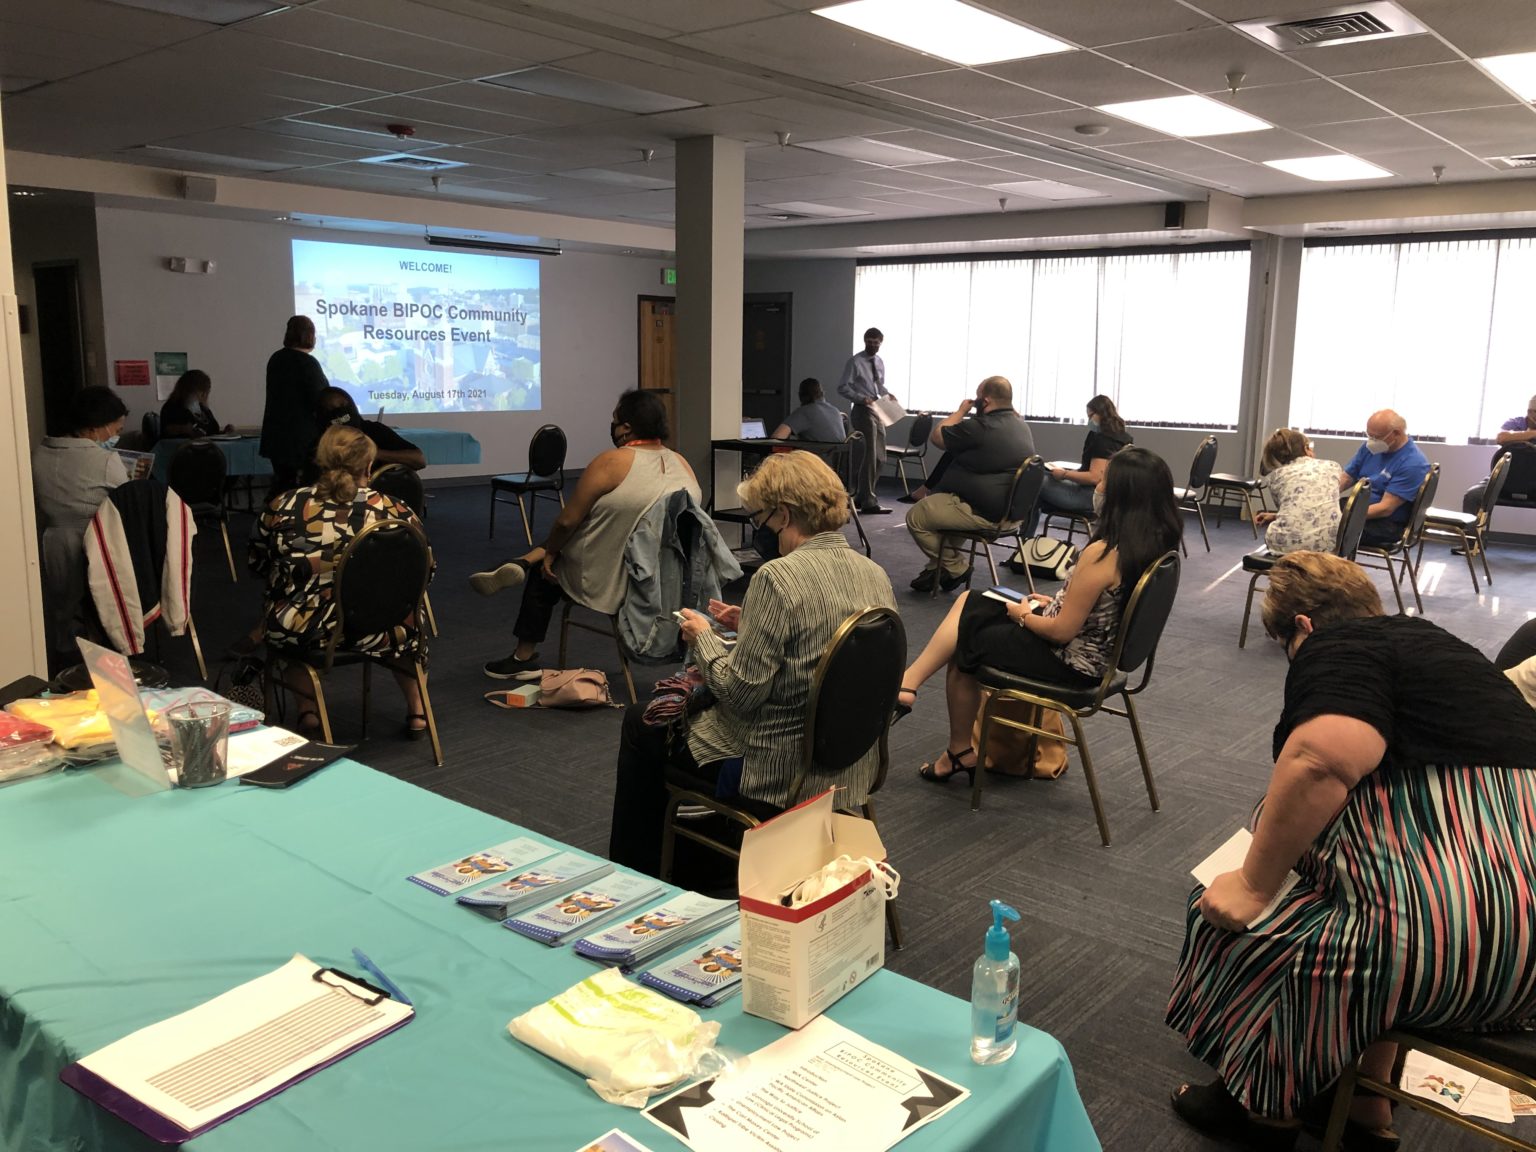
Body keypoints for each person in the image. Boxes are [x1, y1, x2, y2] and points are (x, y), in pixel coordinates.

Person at [1166, 551, 1536, 1150]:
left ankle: (1261, 1110)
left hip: (1449, 954)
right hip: (1524, 973)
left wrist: (1254, 884)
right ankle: (1366, 1108)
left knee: (1254, 919)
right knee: (1387, 905)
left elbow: (1321, 759)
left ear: (1303, 626)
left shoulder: (1341, 646)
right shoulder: (1447, 651)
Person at [607, 450, 897, 878]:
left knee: (640, 722)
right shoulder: (874, 573)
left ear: (783, 514)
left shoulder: (777, 578)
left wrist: (704, 638)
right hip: (848, 761)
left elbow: (740, 696)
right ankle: (697, 844)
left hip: (778, 769)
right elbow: (831, 643)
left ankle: (638, 868)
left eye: (759, 517)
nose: (759, 528)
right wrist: (752, 623)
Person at [897, 446, 1179, 782]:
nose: (1097, 486)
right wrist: (1055, 603)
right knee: (973, 602)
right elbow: (1107, 610)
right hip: (1098, 656)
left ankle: (954, 748)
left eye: (1104, 480)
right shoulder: (1154, 545)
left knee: (965, 640)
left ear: (1122, 496)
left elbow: (1061, 632)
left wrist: (1024, 616)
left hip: (1070, 663)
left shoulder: (1103, 553)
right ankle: (910, 685)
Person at [473, 390, 700, 678]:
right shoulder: (683, 464)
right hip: (664, 580)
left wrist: (551, 552)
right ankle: (523, 561)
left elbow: (566, 521)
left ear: (626, 427)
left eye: (615, 420)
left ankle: (522, 656)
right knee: (581, 531)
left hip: (611, 577)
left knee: (548, 568)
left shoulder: (611, 462)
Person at [249, 425, 433, 738]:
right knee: (409, 623)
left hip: (306, 631)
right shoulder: (397, 510)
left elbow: (258, 563)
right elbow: (425, 572)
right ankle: (418, 711)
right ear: (369, 465)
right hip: (382, 629)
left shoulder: (285, 506)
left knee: (285, 618)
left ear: (321, 461)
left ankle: (309, 712)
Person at [905, 375, 1036, 593]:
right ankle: (936, 570)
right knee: (945, 515)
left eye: (977, 399)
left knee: (916, 516)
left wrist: (960, 411)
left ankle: (956, 567)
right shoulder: (1021, 426)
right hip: (1010, 513)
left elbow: (937, 437)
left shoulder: (980, 427)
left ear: (985, 401)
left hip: (982, 513)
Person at [33, 386, 129, 668]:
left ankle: (63, 661)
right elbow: (127, 499)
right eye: (116, 429)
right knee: (96, 605)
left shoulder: (40, 453)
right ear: (96, 426)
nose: (115, 437)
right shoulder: (105, 461)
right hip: (94, 541)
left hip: (50, 539)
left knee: (61, 606)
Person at [1027, 395, 1131, 537]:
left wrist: (1064, 474)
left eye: (1091, 416)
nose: (1089, 421)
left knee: (1036, 480)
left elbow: (1095, 477)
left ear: (1101, 413)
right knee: (1040, 486)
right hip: (1110, 497)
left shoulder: (1103, 439)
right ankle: (1026, 538)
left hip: (1091, 497)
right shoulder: (1123, 437)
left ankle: (1025, 538)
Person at [1337, 408, 1430, 547]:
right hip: (1359, 505)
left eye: (1377, 437)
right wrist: (1325, 498)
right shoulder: (1370, 448)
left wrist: (1343, 517)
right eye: (1369, 436)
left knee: (1328, 528)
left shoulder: (1413, 463)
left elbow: (1385, 508)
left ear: (1397, 433)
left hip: (1386, 523)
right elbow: (1348, 477)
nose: (1372, 441)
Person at [260, 315, 329, 495]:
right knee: (303, 491)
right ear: (310, 336)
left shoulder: (276, 359)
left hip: (276, 438)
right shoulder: (308, 363)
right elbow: (321, 399)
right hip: (302, 442)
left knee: (283, 486)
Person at [1251, 428, 1341, 555]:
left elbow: (1292, 510)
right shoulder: (1333, 466)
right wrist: (1275, 515)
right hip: (1331, 545)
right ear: (1306, 448)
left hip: (1288, 547)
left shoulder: (1275, 477)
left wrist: (1276, 516)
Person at [1457, 393, 1536, 535]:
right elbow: (1501, 438)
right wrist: (1533, 434)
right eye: (1533, 411)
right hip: (1503, 479)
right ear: (1529, 412)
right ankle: (1469, 542)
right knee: (1472, 496)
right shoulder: (1516, 423)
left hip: (1533, 483)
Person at [837, 327, 896, 515]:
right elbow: (842, 387)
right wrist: (862, 398)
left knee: (880, 457)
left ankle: (862, 496)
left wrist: (887, 395)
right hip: (862, 409)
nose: (872, 345)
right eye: (869, 342)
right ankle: (869, 501)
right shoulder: (855, 362)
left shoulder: (879, 361)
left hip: (877, 408)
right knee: (870, 455)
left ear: (880, 343)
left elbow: (878, 385)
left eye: (875, 342)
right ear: (864, 341)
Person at [313, 387, 425, 472]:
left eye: (343, 405)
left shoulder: (373, 430)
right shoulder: (322, 443)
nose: (339, 413)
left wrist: (374, 454)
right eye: (330, 409)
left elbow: (419, 460)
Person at [771, 377, 847, 443]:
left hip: (815, 455)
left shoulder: (804, 411)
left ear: (800, 396)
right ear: (822, 393)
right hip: (838, 455)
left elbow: (776, 438)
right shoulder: (835, 410)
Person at [159, 370, 232, 439]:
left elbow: (212, 432)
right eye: (201, 391)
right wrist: (184, 430)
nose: (204, 396)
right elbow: (167, 432)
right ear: (187, 390)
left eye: (206, 392)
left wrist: (224, 433)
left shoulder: (203, 409)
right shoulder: (172, 408)